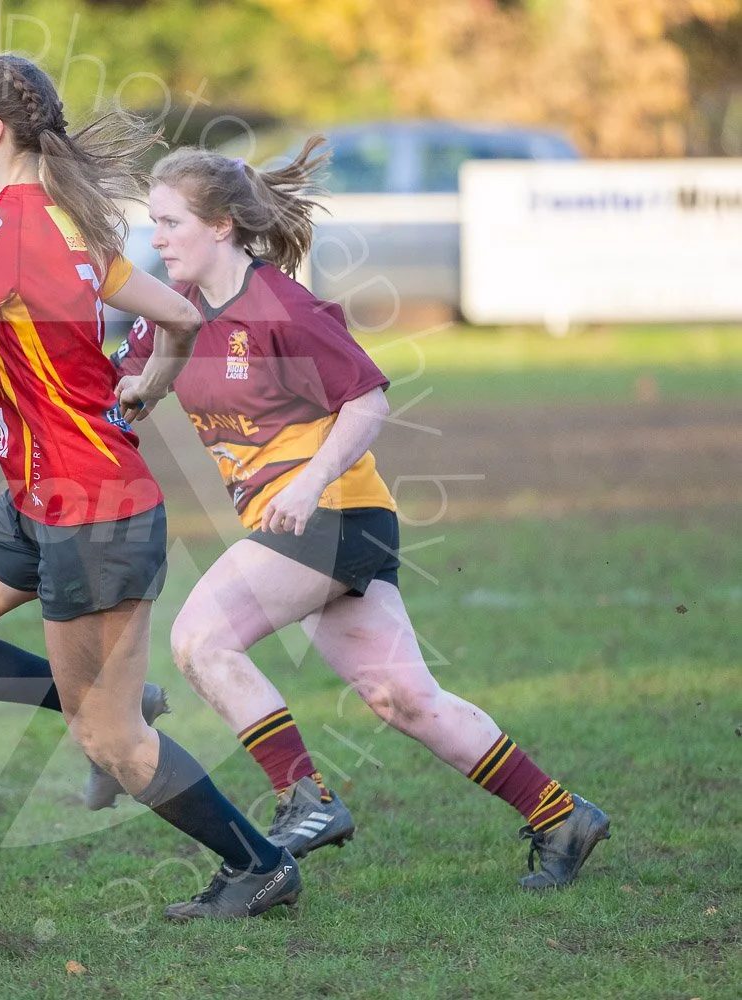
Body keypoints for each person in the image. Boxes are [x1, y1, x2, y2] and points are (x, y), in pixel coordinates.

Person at [0, 53, 300, 922]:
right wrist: (146, 389)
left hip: (94, 512)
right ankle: (118, 701)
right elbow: (183, 317)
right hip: (37, 500)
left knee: (112, 740)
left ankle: (261, 864)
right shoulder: (72, 221)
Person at [110, 142, 610, 890]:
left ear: (220, 226)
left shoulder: (280, 307)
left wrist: (309, 483)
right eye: (152, 223)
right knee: (403, 698)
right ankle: (561, 814)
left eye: (169, 223)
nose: (156, 238)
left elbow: (367, 400)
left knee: (202, 640)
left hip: (336, 513)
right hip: (307, 525)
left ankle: (304, 798)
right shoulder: (168, 316)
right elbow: (127, 391)